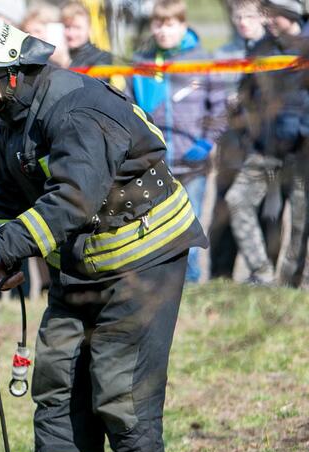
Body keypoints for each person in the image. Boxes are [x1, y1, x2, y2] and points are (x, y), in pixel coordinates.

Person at [0, 13, 206, 452]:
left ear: (9, 63)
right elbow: (3, 191)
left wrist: (2, 247)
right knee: (56, 387)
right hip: (79, 268)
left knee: (123, 400)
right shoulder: (13, 110)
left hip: (143, 264)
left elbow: (72, 200)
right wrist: (2, 247)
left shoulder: (77, 108)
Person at [130, 0, 225, 283]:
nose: (163, 30)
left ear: (183, 25)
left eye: (170, 24)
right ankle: (164, 285)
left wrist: (206, 144)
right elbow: (132, 109)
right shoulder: (142, 62)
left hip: (193, 163)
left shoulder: (202, 60)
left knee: (191, 224)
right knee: (157, 227)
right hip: (155, 164)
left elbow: (220, 109)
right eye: (158, 24)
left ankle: (192, 282)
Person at [226, 0, 309, 284]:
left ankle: (291, 283)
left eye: (273, 13)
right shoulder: (261, 48)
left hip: (302, 154)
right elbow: (245, 90)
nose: (267, 19)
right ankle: (262, 274)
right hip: (264, 151)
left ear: (291, 14)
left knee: (300, 223)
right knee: (237, 201)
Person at [209, 0, 269, 279]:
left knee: (266, 216)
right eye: (238, 16)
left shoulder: (273, 52)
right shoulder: (223, 54)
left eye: (249, 16)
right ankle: (220, 279)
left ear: (263, 17)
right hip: (231, 149)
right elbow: (213, 103)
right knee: (223, 216)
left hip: (266, 149)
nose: (243, 22)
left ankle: (263, 279)